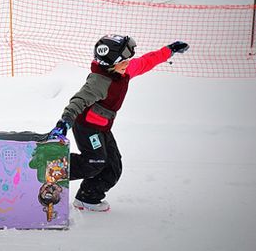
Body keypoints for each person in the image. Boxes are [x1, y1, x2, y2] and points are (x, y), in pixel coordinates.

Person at [47, 35, 189, 212]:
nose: (128, 64)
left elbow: (146, 61)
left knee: (113, 166)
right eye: (123, 62)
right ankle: (51, 167)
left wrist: (169, 50)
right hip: (87, 126)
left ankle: (87, 198)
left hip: (102, 127)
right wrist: (64, 122)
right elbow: (78, 101)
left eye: (128, 61)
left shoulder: (125, 71)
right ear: (110, 64)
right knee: (95, 161)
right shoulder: (99, 82)